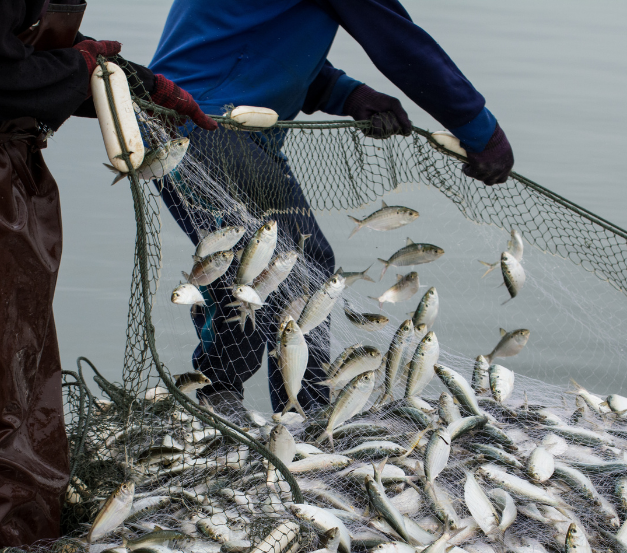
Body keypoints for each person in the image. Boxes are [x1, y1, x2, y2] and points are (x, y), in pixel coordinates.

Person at [150, 0, 515, 417]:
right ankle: (248, 403)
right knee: (269, 266)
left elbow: (260, 41)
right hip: (203, 126)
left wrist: (348, 94)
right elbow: (400, 44)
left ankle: (289, 409)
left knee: (292, 264)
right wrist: (481, 130)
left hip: (212, 123)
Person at [0, 0, 216, 547]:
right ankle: (14, 551)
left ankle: (24, 534)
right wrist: (81, 68)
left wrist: (136, 82)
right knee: (8, 370)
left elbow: (23, 48)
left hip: (15, 172)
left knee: (22, 360)